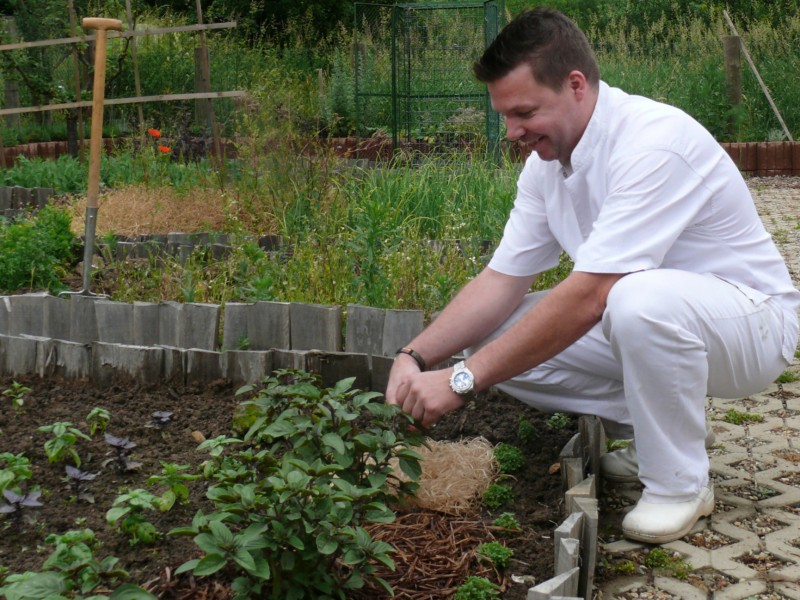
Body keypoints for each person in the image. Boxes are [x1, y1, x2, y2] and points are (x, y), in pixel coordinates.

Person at [385, 6, 800, 544]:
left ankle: (679, 484)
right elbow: (499, 280)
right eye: (504, 115)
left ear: (576, 85)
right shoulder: (545, 167)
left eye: (525, 112)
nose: (512, 132)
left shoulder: (653, 141)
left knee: (632, 297)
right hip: (652, 318)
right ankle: (656, 433)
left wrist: (463, 381)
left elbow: (590, 297)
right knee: (490, 336)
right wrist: (416, 356)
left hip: (750, 325)